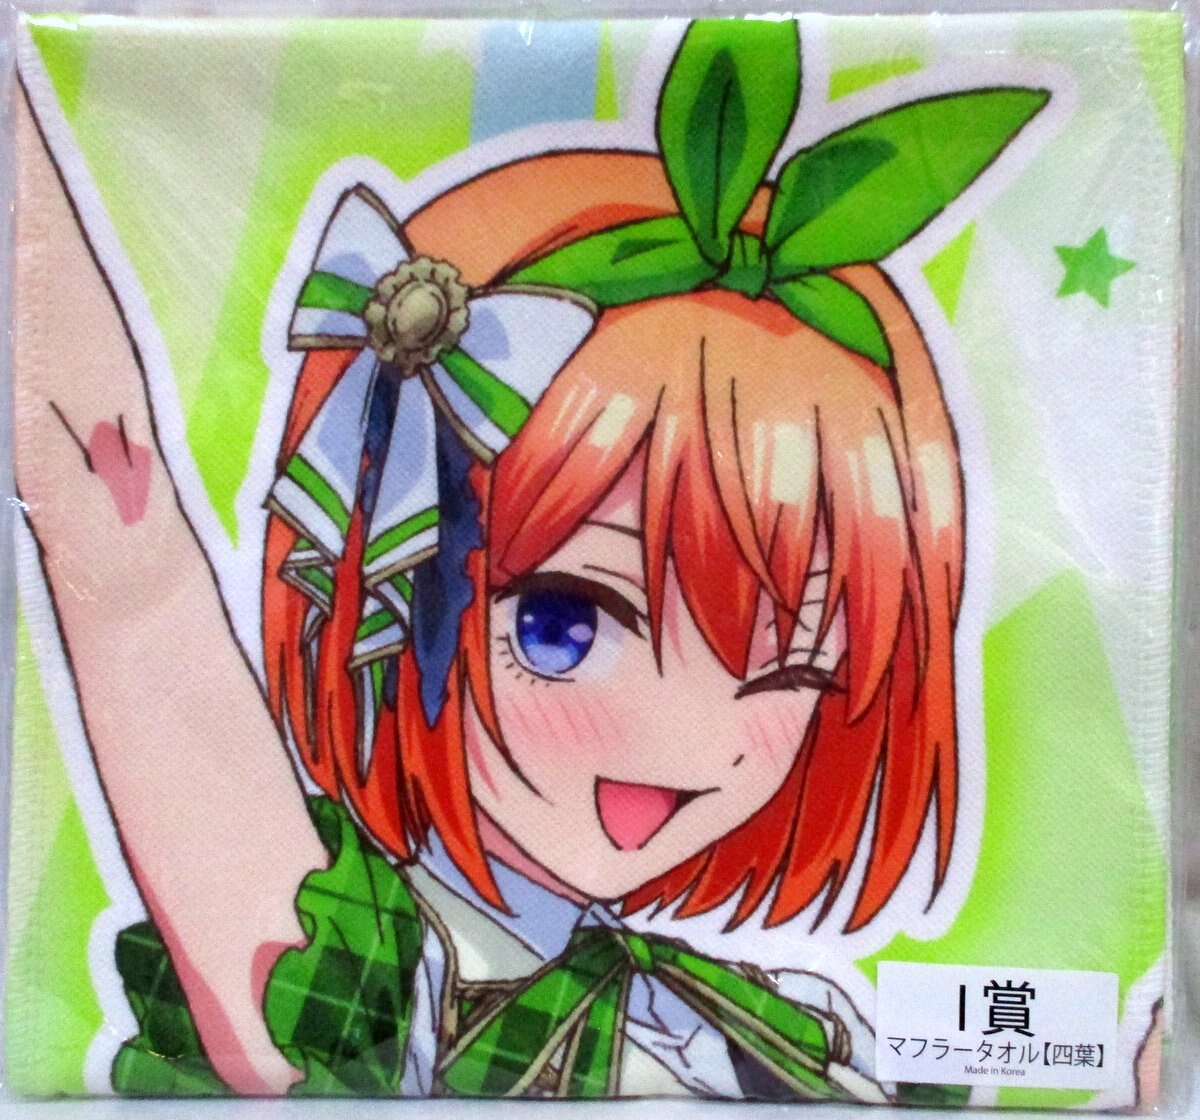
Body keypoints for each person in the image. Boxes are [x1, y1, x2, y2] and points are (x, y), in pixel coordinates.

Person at [13, 18, 1047, 1101]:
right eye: (564, 622)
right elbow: (110, 512)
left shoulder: (759, 1023)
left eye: (790, 663)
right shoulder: (349, 957)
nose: (688, 738)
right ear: (398, 576)